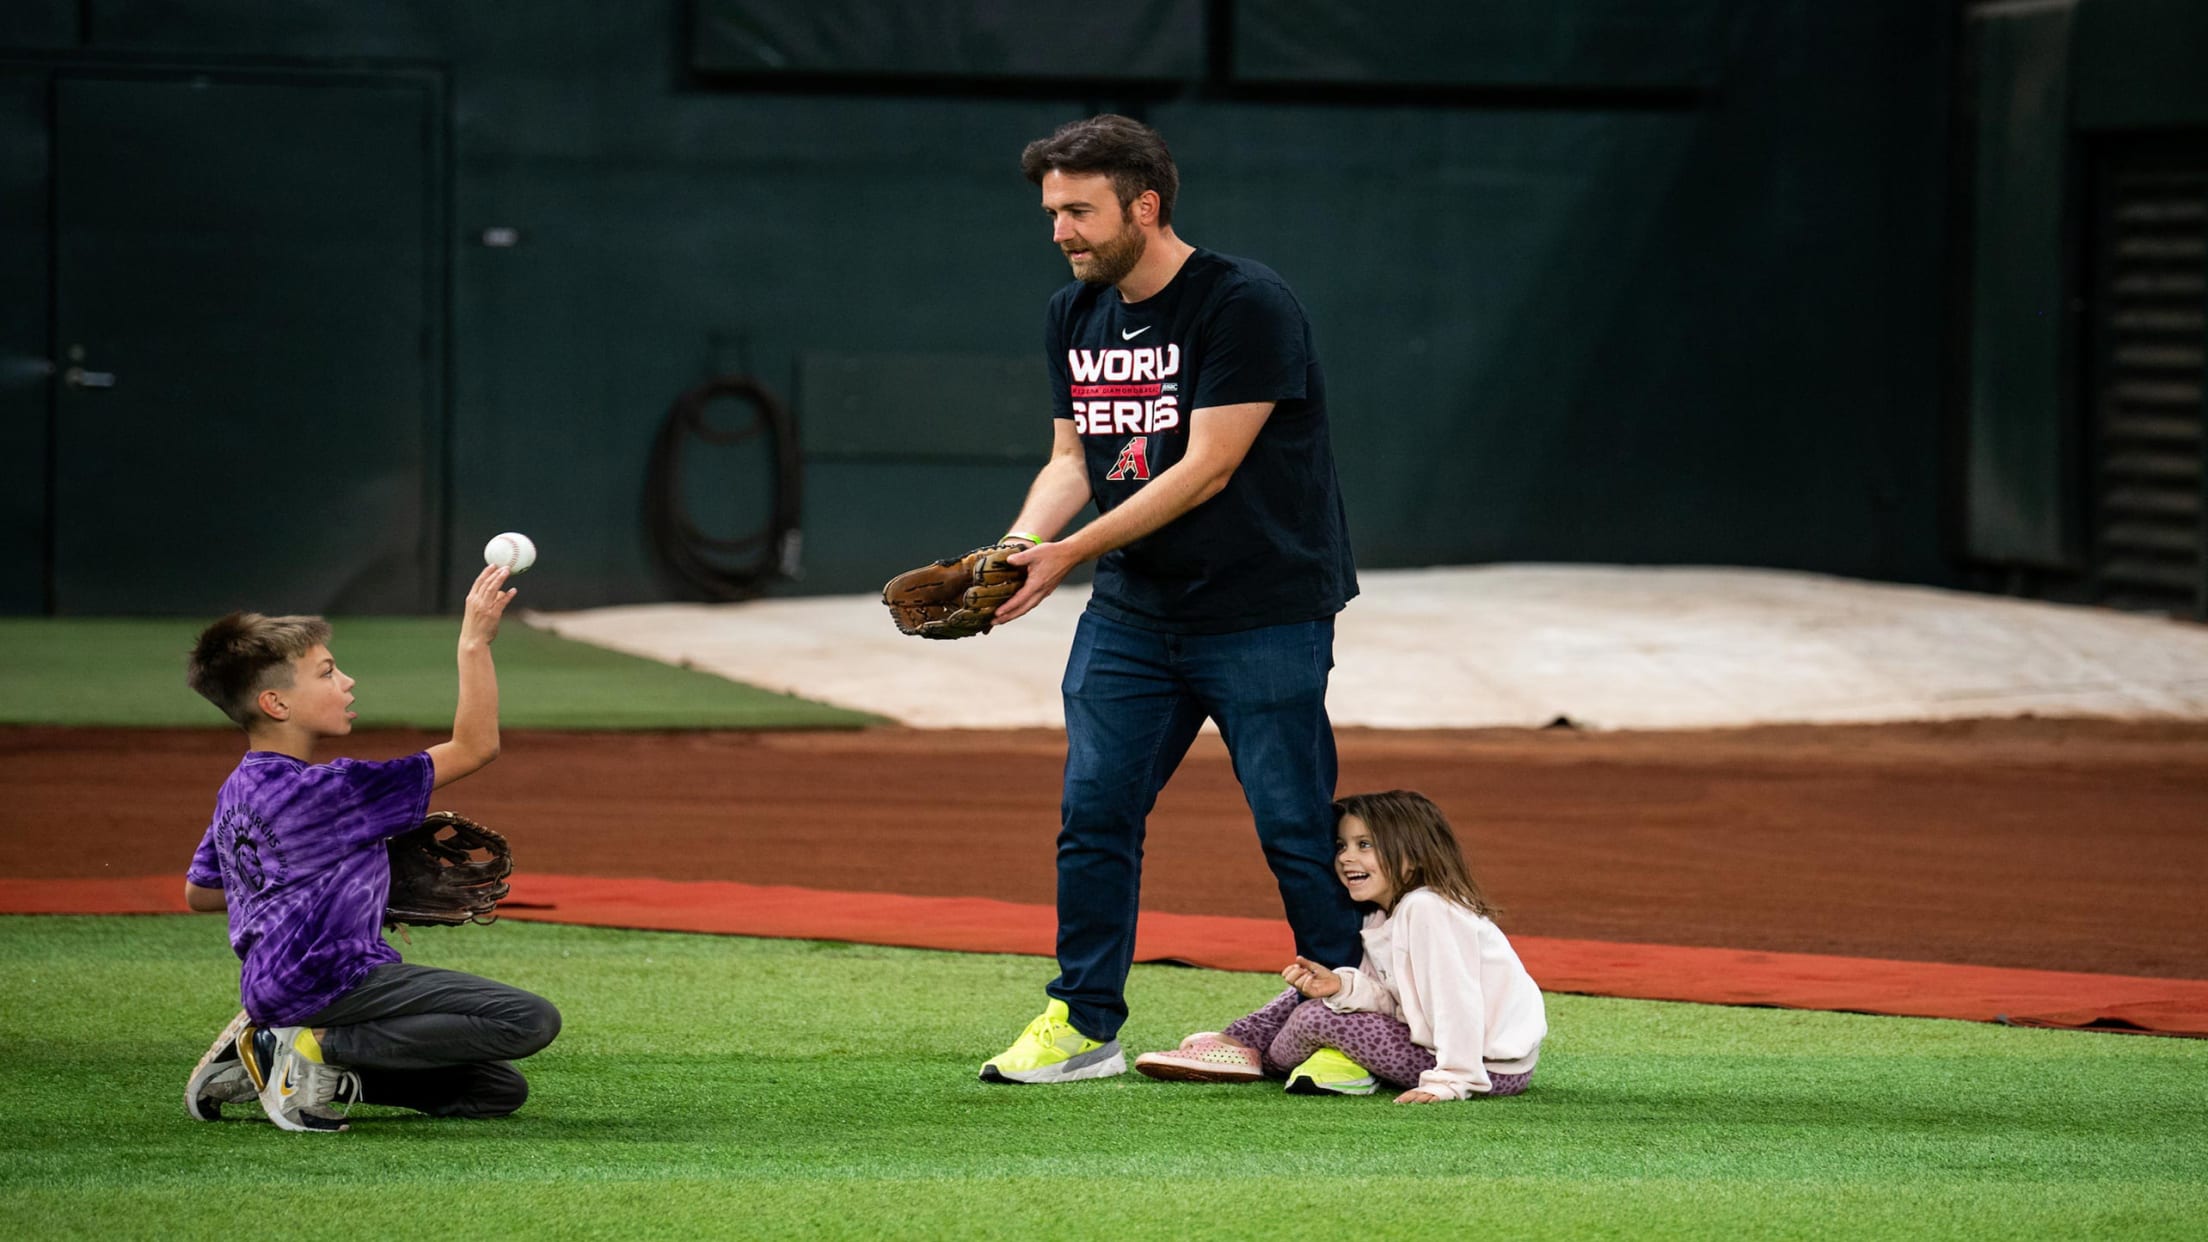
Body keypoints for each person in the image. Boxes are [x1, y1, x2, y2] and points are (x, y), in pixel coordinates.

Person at [979, 114, 1363, 1084]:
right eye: (1052, 211)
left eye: (1079, 211)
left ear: (1144, 206)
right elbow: (1074, 457)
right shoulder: (1075, 313)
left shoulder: (1244, 304)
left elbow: (1208, 468)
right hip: (1136, 616)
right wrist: (1023, 540)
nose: (1060, 231)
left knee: (1290, 822)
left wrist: (1064, 553)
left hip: (1264, 608)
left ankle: (1358, 1017)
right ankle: (1082, 1022)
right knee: (1095, 813)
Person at [179, 565, 560, 1132]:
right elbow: (476, 746)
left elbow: (203, 892)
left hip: (274, 986)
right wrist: (474, 640)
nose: (348, 682)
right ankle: (313, 1050)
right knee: (527, 1019)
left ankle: (265, 1054)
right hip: (333, 981)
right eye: (328, 673)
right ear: (277, 704)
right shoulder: (333, 791)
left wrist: (341, 893)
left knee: (495, 1090)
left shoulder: (240, 789)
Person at [1134, 790, 1546, 1101]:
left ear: (1414, 855)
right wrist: (1344, 988)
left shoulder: (1428, 909)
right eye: (1342, 846)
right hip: (1448, 1051)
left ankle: (1254, 1057)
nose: (1347, 858)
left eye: (1365, 845)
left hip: (1488, 1068)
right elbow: (1398, 999)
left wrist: (1453, 1080)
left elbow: (1457, 999)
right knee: (1316, 992)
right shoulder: (1384, 914)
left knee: (1314, 1019)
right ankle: (1238, 1042)